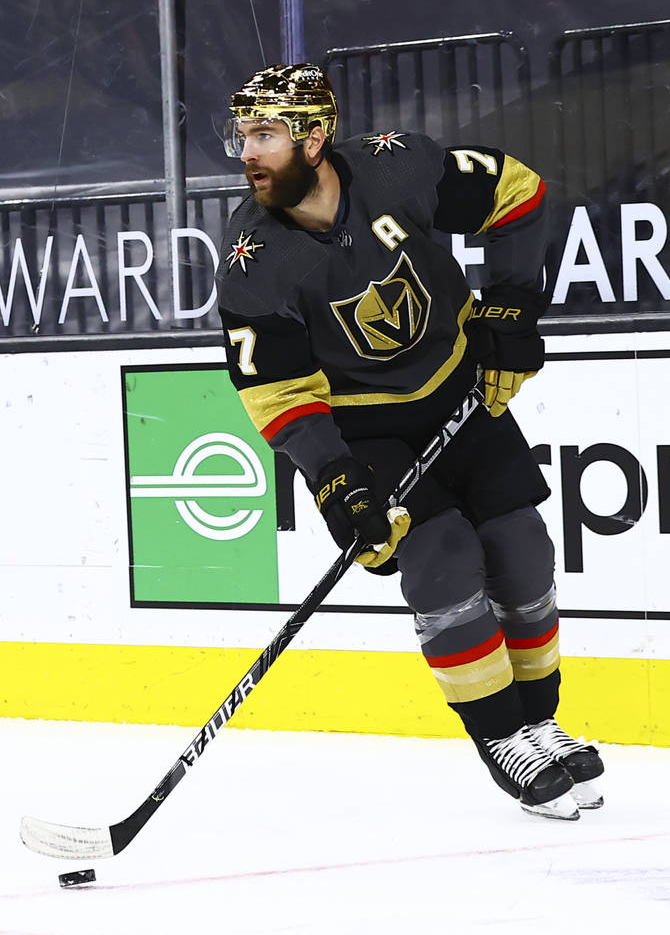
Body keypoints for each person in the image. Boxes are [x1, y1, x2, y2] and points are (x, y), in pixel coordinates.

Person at [215, 63, 603, 820]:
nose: (248, 154)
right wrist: (335, 480)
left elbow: (518, 193)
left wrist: (514, 307)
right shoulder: (252, 259)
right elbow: (279, 392)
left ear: (316, 136)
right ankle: (501, 738)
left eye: (265, 134)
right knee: (444, 555)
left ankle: (540, 720)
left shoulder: (399, 167)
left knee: (523, 548)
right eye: (242, 137)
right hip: (368, 429)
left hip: (461, 390)